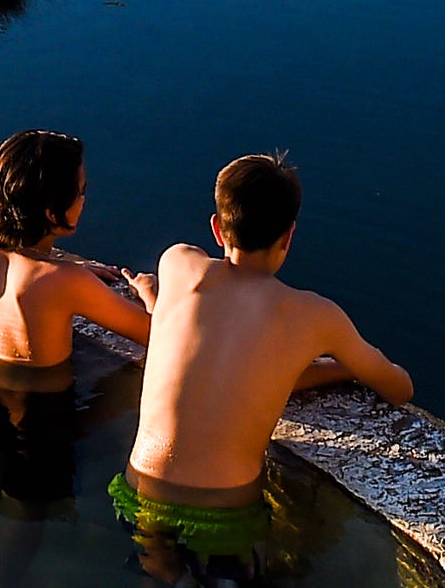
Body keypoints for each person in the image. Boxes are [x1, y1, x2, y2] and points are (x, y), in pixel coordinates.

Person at [117, 156, 412, 582]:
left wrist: (152, 302)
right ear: (289, 236)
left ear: (217, 228)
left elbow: (204, 345)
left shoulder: (177, 263)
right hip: (224, 516)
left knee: (161, 578)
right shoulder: (312, 315)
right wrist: (346, 366)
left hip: (140, 492)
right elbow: (399, 388)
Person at [0, 132, 154, 546]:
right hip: (39, 416)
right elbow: (154, 334)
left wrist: (57, 263)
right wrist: (149, 294)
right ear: (54, 212)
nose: (85, 199)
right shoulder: (65, 282)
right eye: (82, 191)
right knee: (31, 506)